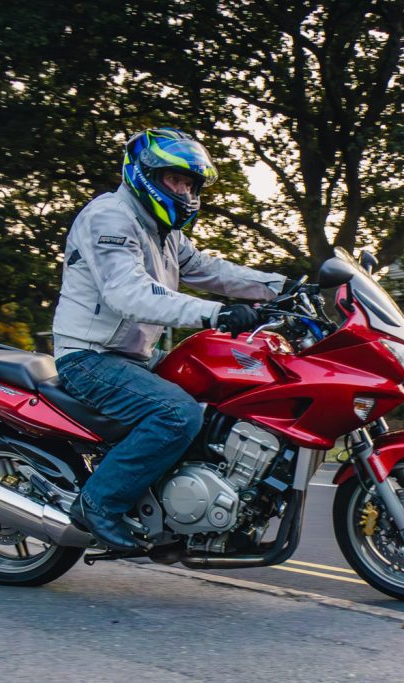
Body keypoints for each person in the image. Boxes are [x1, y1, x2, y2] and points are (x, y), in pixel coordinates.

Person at [52, 128, 292, 550]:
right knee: (177, 415)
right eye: (174, 179)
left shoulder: (163, 233)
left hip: (132, 357)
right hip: (90, 358)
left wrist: (282, 286)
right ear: (145, 174)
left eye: (189, 184)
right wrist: (215, 313)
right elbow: (128, 292)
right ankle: (98, 504)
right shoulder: (109, 218)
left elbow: (210, 270)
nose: (183, 191)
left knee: (218, 395)